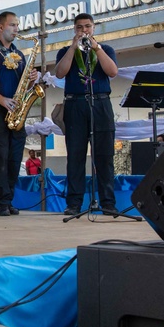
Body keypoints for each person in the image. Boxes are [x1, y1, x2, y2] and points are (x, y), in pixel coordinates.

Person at [54, 13, 119, 217]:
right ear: (74, 29)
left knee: (104, 156)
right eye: (80, 27)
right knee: (75, 156)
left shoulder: (106, 49)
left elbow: (112, 71)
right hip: (75, 103)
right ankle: (74, 203)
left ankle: (108, 203)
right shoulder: (65, 51)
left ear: (94, 28)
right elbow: (59, 73)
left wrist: (96, 48)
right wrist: (73, 48)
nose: (84, 31)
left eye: (88, 27)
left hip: (100, 103)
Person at [0, 12, 37, 216]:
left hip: (16, 111)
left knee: (14, 158)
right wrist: (1, 99)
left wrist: (31, 78)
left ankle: (8, 198)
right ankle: (1, 201)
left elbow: (23, 84)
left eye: (17, 25)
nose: (16, 29)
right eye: (12, 25)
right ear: (1, 27)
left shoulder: (20, 55)